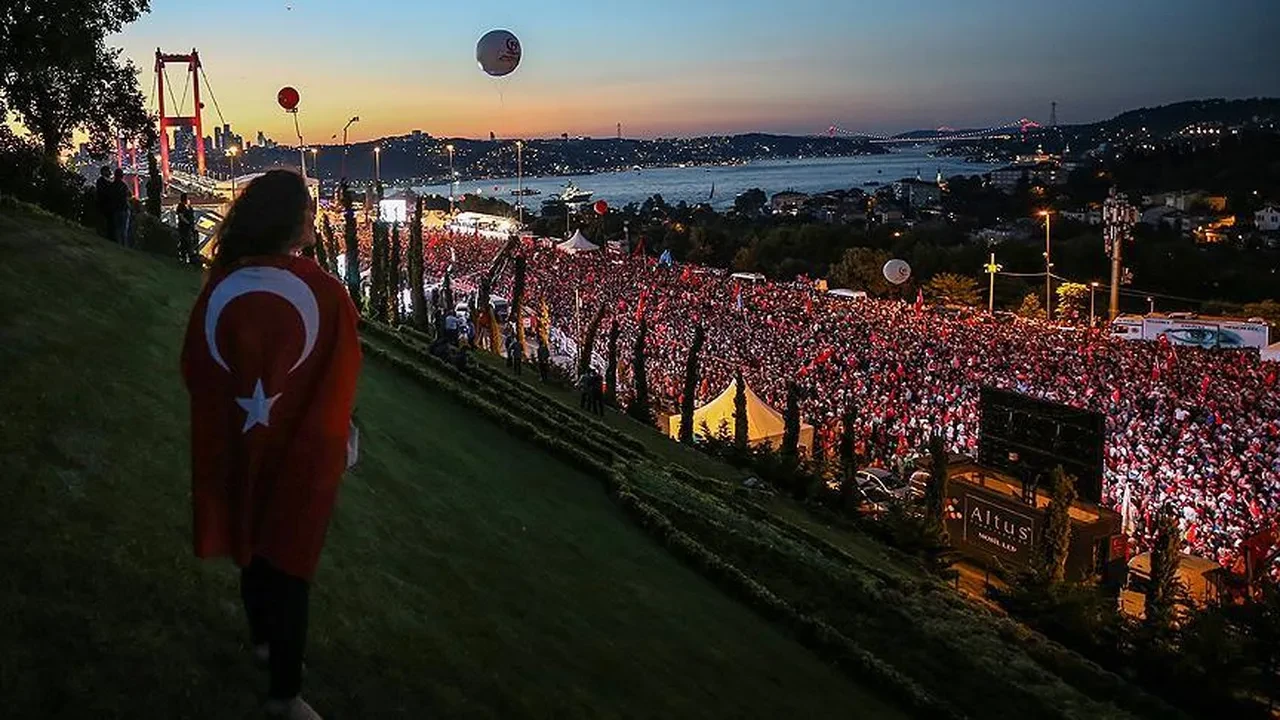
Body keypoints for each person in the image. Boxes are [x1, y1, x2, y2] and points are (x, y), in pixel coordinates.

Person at [181, 170, 361, 720]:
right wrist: (339, 435)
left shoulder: (224, 284)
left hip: (242, 440)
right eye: (308, 207)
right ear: (288, 218)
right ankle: (285, 695)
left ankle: (262, 638)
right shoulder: (322, 291)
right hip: (303, 451)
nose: (314, 216)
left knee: (253, 536)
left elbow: (199, 366)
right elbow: (338, 370)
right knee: (291, 557)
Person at [109, 168, 132, 247]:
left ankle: (118, 245)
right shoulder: (123, 185)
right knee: (124, 229)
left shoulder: (112, 185)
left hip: (116, 209)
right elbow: (129, 195)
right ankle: (124, 245)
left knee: (117, 229)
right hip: (124, 208)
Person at [176, 192, 197, 264]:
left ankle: (191, 257)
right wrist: (187, 222)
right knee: (184, 242)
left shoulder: (188, 207)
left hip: (189, 227)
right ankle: (184, 257)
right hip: (184, 228)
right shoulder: (180, 206)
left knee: (191, 242)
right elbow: (181, 216)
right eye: (188, 198)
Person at [94, 166, 114, 239]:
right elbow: (103, 193)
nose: (110, 172)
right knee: (103, 223)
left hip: (106, 206)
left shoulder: (106, 181)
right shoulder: (101, 181)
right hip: (103, 206)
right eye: (108, 171)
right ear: (104, 172)